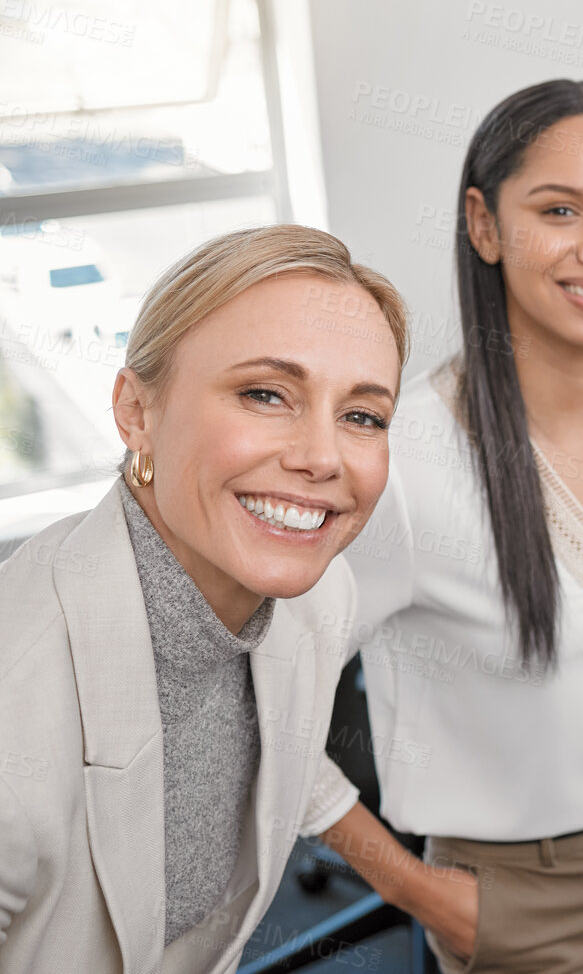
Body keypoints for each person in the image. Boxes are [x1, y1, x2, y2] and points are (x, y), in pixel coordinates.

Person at [322, 79, 583, 973]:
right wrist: (416, 888)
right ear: (483, 224)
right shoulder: (401, 464)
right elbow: (265, 703)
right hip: (526, 895)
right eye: (560, 210)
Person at [0, 225, 406, 974]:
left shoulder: (318, 595)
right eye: (264, 393)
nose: (320, 457)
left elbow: (279, 739)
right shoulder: (16, 701)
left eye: (361, 415)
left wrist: (416, 884)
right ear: (136, 412)